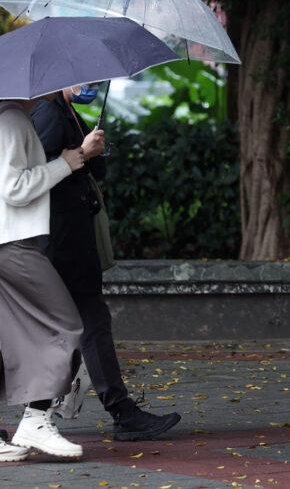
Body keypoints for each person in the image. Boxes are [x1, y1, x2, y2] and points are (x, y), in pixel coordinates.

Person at [31, 85, 181, 440]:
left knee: (85, 323)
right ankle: (54, 415)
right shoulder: (49, 113)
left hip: (71, 237)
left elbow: (90, 172)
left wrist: (94, 151)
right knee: (75, 327)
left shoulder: (66, 111)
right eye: (83, 75)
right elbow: (32, 176)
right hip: (59, 240)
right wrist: (80, 153)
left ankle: (115, 411)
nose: (91, 84)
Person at [0, 95, 87, 460]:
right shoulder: (12, 120)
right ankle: (35, 419)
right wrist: (64, 164)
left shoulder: (12, 119)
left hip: (7, 240)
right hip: (15, 243)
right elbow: (13, 188)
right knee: (65, 327)